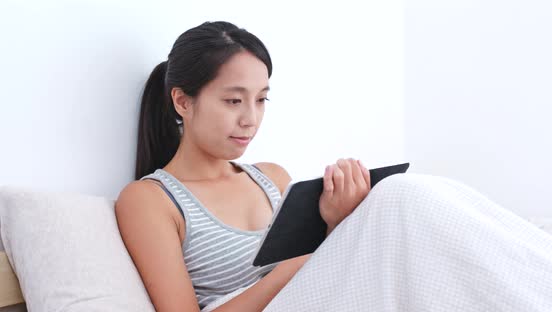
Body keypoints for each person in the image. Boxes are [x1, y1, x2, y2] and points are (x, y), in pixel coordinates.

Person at [115, 21, 371, 312]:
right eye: (234, 100)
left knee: (395, 195)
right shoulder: (150, 200)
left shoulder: (272, 178)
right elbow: (302, 270)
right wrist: (293, 268)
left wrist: (335, 222)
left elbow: (321, 279)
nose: (251, 118)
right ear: (183, 102)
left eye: (261, 99)